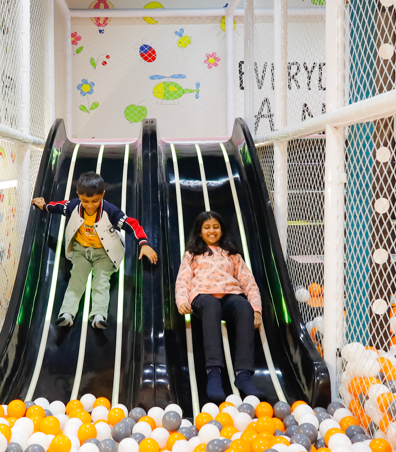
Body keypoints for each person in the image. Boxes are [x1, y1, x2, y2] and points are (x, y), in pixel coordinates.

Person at [33, 172, 157, 328]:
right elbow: (59, 206)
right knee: (76, 279)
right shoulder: (74, 206)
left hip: (104, 253)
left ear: (102, 195)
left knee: (101, 282)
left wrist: (143, 243)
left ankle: (98, 315)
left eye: (95, 201)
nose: (90, 205)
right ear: (78, 195)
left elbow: (131, 224)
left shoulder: (109, 211)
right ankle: (67, 313)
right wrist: (44, 206)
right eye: (85, 201)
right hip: (81, 251)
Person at [175, 210, 262, 401]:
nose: (212, 231)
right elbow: (183, 280)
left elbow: (248, 282)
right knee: (212, 304)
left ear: (222, 231)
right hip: (202, 296)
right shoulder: (192, 255)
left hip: (230, 295)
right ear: (200, 232)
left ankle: (243, 375)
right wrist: (182, 300)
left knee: (243, 307)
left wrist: (256, 308)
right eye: (207, 227)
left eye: (216, 227)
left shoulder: (232, 255)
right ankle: (214, 374)